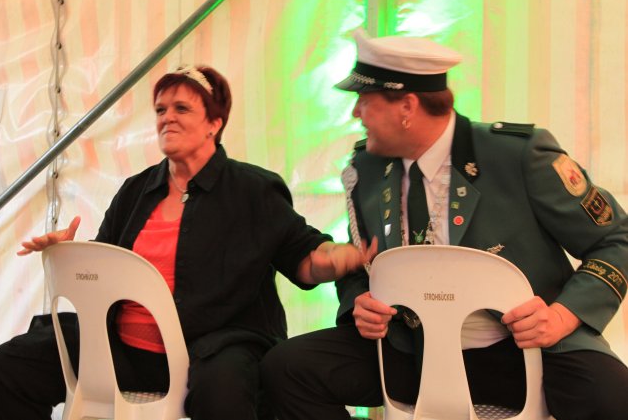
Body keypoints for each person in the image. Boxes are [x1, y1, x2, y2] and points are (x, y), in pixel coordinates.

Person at [261, 29, 628, 420]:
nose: (355, 114)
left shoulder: (517, 154)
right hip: (412, 348)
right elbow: (363, 264)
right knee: (287, 369)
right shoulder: (365, 168)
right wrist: (359, 305)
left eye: (365, 101)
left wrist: (560, 317)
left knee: (613, 398)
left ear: (407, 106)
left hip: (526, 349)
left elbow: (616, 240)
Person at [0, 65, 372, 420]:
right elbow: (106, 269)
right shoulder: (136, 191)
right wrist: (71, 253)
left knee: (224, 393)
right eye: (160, 109)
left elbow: (303, 255)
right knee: (10, 367)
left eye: (181, 108)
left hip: (215, 347)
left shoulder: (253, 189)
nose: (167, 117)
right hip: (124, 349)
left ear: (214, 123)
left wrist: (334, 258)